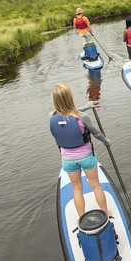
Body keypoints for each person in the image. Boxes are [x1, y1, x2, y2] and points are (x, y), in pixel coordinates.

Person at [49, 83, 111, 217]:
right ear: (70, 98)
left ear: (55, 100)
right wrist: (107, 142)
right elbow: (96, 134)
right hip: (86, 158)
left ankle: (81, 217)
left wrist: (87, 106)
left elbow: (67, 112)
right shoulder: (83, 117)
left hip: (68, 160)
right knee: (95, 185)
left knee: (77, 189)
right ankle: (105, 212)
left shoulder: (51, 116)